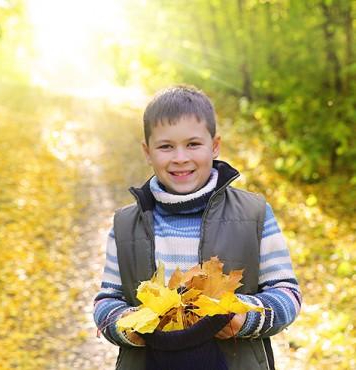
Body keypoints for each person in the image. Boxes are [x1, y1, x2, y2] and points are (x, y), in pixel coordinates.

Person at [93, 85, 301, 370]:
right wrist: (128, 325)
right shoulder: (126, 225)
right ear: (147, 151)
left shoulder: (254, 214)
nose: (180, 158)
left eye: (193, 144)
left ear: (214, 146)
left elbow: (286, 293)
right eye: (166, 146)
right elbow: (107, 301)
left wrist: (245, 317)